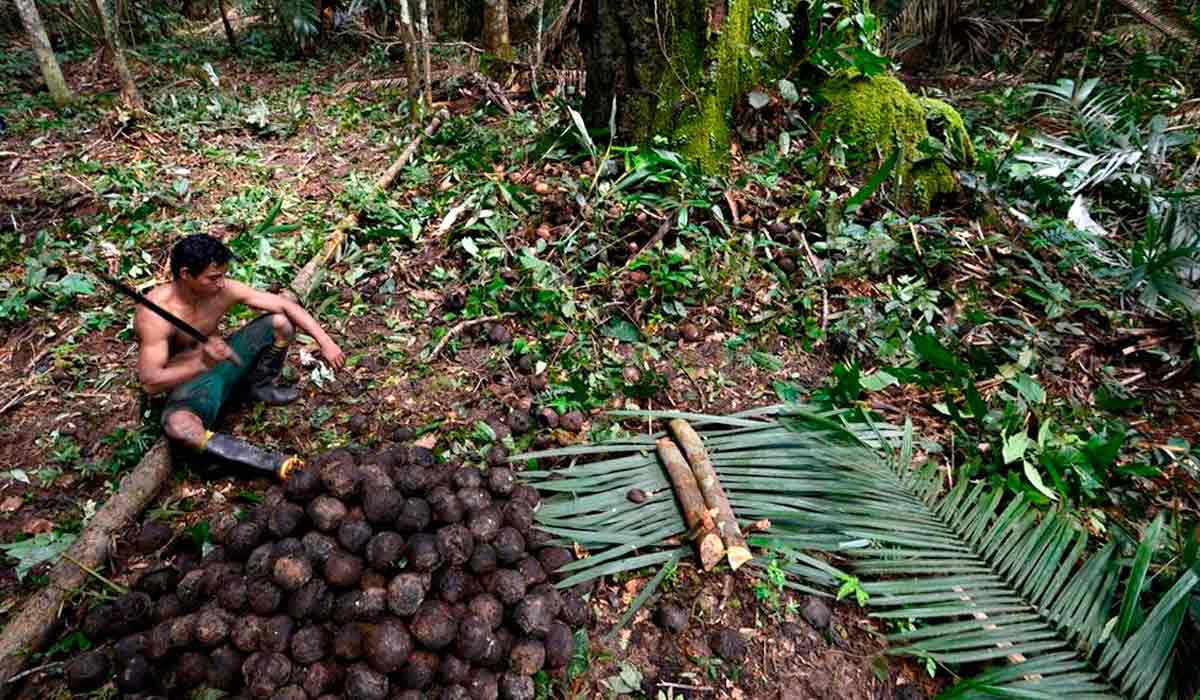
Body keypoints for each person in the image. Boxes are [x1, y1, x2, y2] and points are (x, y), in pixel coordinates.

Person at [136, 234, 345, 476]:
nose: (222, 283)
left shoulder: (220, 290)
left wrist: (325, 341)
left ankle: (259, 387)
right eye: (213, 278)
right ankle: (271, 464)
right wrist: (202, 364)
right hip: (191, 388)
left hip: (225, 364)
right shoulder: (156, 314)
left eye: (223, 275)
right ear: (185, 274)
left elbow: (285, 305)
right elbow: (150, 382)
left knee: (280, 323)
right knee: (179, 427)